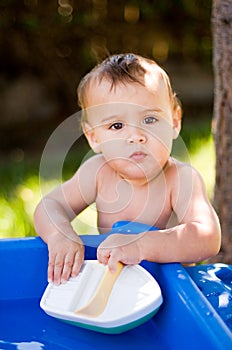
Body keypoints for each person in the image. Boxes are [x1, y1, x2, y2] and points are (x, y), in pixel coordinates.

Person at [34, 53, 221, 285]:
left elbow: (207, 237)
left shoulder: (180, 179)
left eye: (150, 119)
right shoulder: (97, 172)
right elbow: (50, 205)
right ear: (94, 138)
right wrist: (60, 236)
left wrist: (141, 245)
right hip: (117, 289)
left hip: (173, 292)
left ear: (174, 122)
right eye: (117, 125)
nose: (136, 136)